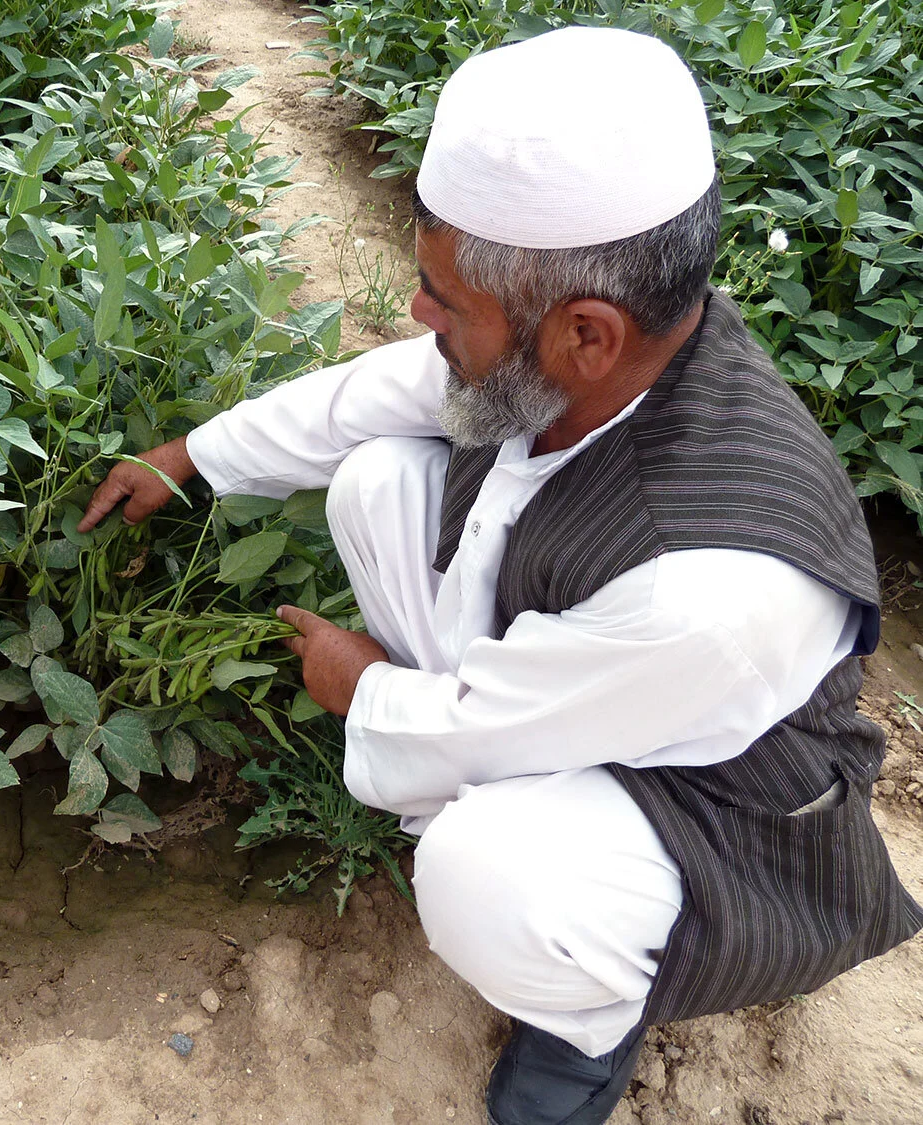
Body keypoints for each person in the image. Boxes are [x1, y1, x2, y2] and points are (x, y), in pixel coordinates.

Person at [75, 25, 923, 1125]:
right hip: (583, 685)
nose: (417, 315)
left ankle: (585, 1024)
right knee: (376, 478)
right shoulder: (605, 355)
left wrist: (361, 688)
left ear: (585, 334)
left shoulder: (713, 594)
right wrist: (191, 457)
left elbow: (491, 722)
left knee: (486, 871)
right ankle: (451, 791)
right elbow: (377, 392)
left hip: (716, 814)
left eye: (444, 299)